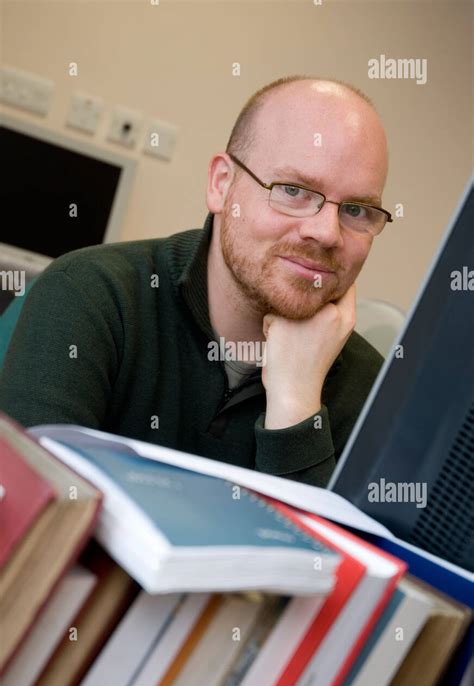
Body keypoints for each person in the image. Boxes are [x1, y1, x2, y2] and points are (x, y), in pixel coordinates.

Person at [0, 75, 392, 487]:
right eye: (294, 190)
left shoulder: (372, 392)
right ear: (221, 185)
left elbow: (326, 552)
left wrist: (295, 403)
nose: (327, 233)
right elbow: (33, 526)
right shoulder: (90, 295)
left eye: (357, 210)